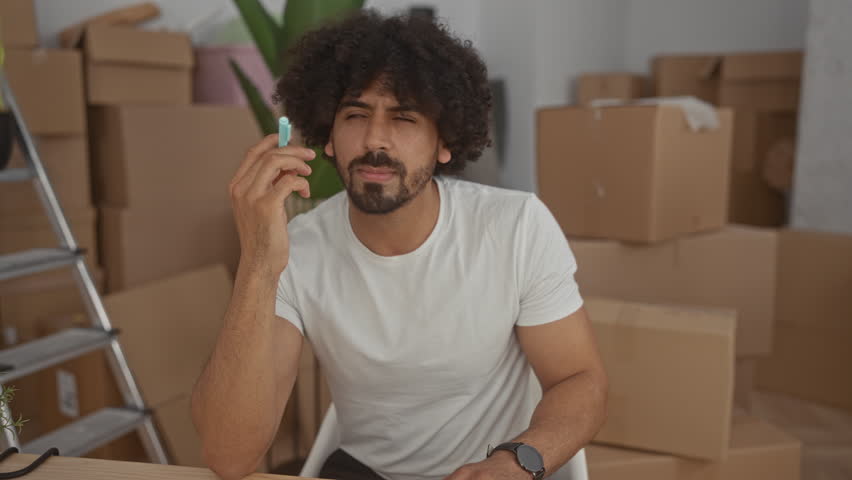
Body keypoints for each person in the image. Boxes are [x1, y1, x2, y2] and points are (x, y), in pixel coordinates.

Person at [191, 10, 607, 480]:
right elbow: (229, 456)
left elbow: (580, 380)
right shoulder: (298, 249)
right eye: (355, 115)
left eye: (404, 118)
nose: (375, 139)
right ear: (329, 137)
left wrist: (517, 461)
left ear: (444, 142)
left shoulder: (516, 227)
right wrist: (257, 263)